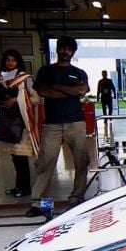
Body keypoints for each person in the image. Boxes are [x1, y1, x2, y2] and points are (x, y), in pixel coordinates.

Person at [26, 36, 90, 217]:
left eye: (69, 49)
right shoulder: (46, 71)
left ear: (73, 52)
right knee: (46, 162)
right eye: (62, 48)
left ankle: (76, 199)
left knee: (81, 161)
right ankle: (38, 203)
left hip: (76, 123)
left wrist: (56, 87)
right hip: (52, 125)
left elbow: (82, 90)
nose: (65, 52)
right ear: (58, 49)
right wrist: (69, 90)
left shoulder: (79, 72)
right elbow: (44, 92)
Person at [0, 49, 40, 197]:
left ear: (18, 62)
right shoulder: (3, 79)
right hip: (7, 122)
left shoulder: (25, 79)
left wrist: (15, 100)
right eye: (7, 60)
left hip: (21, 123)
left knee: (21, 156)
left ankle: (25, 188)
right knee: (15, 157)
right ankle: (18, 186)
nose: (10, 63)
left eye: (13, 60)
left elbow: (36, 98)